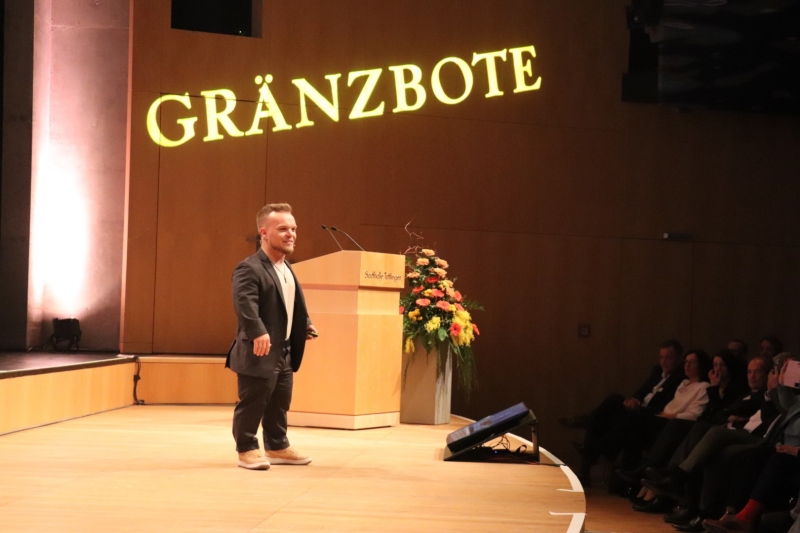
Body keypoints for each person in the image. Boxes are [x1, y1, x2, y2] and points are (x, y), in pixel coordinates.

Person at [226, 203, 318, 470]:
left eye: (293, 229)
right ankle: (246, 449)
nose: (291, 234)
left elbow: (292, 303)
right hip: (259, 348)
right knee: (253, 401)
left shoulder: (286, 267)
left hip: (284, 349)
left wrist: (305, 324)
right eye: (283, 229)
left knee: (279, 401)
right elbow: (245, 304)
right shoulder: (249, 267)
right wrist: (258, 332)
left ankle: (277, 446)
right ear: (264, 233)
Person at [562, 340, 685, 485]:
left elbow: (668, 406)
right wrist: (633, 399)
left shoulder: (681, 378)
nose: (664, 361)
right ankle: (591, 434)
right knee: (613, 400)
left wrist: (640, 409)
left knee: (607, 419)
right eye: (661, 357)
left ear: (678, 359)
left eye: (668, 357)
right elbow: (643, 389)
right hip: (637, 410)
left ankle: (590, 454)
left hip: (651, 418)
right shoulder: (657, 370)